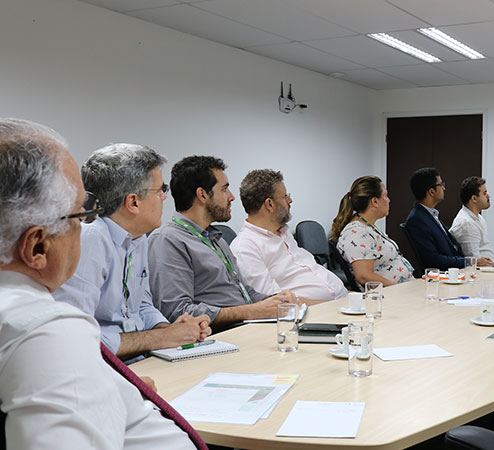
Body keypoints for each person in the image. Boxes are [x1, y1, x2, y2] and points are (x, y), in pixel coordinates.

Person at [0, 118, 201, 448]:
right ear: (37, 246)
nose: (88, 223)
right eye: (82, 213)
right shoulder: (50, 331)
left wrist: (165, 333)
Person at [53, 144, 211, 362]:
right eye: (160, 191)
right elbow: (76, 336)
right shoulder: (90, 240)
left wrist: (178, 331)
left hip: (141, 361)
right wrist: (161, 337)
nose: (165, 198)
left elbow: (141, 307)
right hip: (108, 369)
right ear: (133, 202)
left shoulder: (138, 237)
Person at [148, 156, 296, 329]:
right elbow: (176, 311)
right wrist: (250, 311)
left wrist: (276, 300)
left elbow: (246, 293)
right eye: (224, 189)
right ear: (202, 195)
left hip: (247, 327)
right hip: (221, 337)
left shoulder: (216, 239)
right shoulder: (168, 240)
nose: (231, 197)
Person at [230, 169, 347, 300]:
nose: (290, 200)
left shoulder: (283, 232)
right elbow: (275, 303)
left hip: (341, 300)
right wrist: (334, 307)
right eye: (285, 196)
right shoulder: (245, 248)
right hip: (317, 313)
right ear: (269, 204)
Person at [331, 176, 414, 286]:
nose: (388, 200)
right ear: (375, 201)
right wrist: (396, 288)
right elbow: (364, 276)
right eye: (385, 196)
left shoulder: (368, 227)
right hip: (392, 295)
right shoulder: (356, 234)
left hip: (405, 288)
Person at [404, 168, 465, 271]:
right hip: (443, 275)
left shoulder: (430, 214)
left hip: (455, 270)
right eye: (441, 185)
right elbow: (433, 260)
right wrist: (468, 262)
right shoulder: (417, 220)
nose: (444, 188)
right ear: (431, 191)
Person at [449, 176, 494, 262]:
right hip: (483, 272)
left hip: (492, 266)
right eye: (484, 193)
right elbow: (474, 262)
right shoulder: (466, 223)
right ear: (474, 198)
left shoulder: (479, 218)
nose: (488, 196)